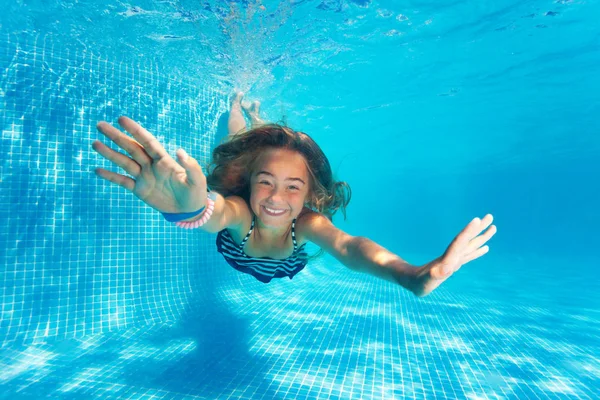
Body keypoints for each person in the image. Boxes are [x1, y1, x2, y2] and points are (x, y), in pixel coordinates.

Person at [92, 92, 497, 296]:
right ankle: (238, 103)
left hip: (282, 266)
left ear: (309, 194)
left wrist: (414, 275)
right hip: (238, 253)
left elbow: (350, 247)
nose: (275, 198)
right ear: (249, 183)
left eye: (294, 186)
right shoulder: (239, 210)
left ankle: (256, 115)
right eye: (265, 181)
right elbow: (216, 213)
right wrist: (190, 209)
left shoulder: (307, 222)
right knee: (237, 137)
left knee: (256, 138)